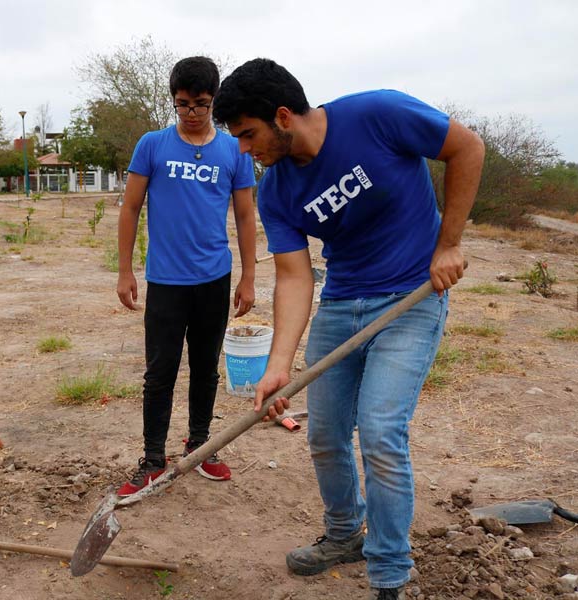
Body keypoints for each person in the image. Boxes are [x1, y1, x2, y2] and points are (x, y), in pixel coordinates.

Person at [212, 59, 485, 599]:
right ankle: (344, 534)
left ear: (283, 116)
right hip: (341, 305)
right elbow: (293, 277)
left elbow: (467, 148)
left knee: (381, 432)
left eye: (248, 134)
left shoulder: (377, 114)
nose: (244, 150)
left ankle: (389, 572)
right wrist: (277, 367)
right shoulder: (277, 191)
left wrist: (448, 243)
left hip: (410, 298)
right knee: (325, 433)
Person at [116, 56, 257, 496]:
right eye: (182, 104)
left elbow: (246, 214)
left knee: (205, 368)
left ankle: (200, 447)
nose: (191, 113)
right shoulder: (153, 145)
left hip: (213, 278)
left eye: (200, 104)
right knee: (159, 372)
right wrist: (125, 271)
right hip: (165, 281)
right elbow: (131, 207)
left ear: (213, 100)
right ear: (173, 101)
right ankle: (153, 459)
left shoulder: (234, 150)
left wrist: (249, 276)